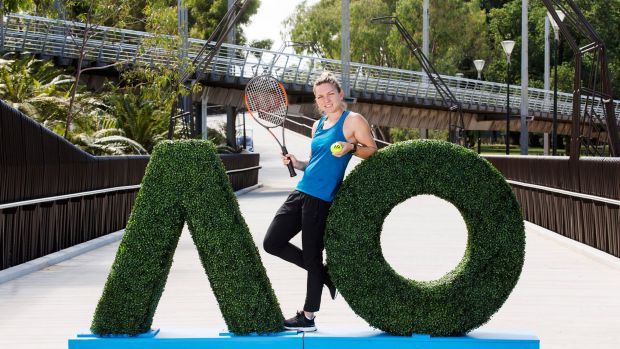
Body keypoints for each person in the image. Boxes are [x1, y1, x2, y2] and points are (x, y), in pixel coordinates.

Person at [263, 71, 377, 332]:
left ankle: (308, 316)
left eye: (330, 94)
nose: (325, 100)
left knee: (313, 256)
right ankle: (325, 275)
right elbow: (314, 163)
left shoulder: (353, 121)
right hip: (300, 192)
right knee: (272, 242)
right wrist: (297, 163)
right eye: (320, 97)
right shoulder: (318, 125)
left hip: (321, 200)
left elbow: (372, 151)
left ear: (340, 94)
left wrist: (351, 148)